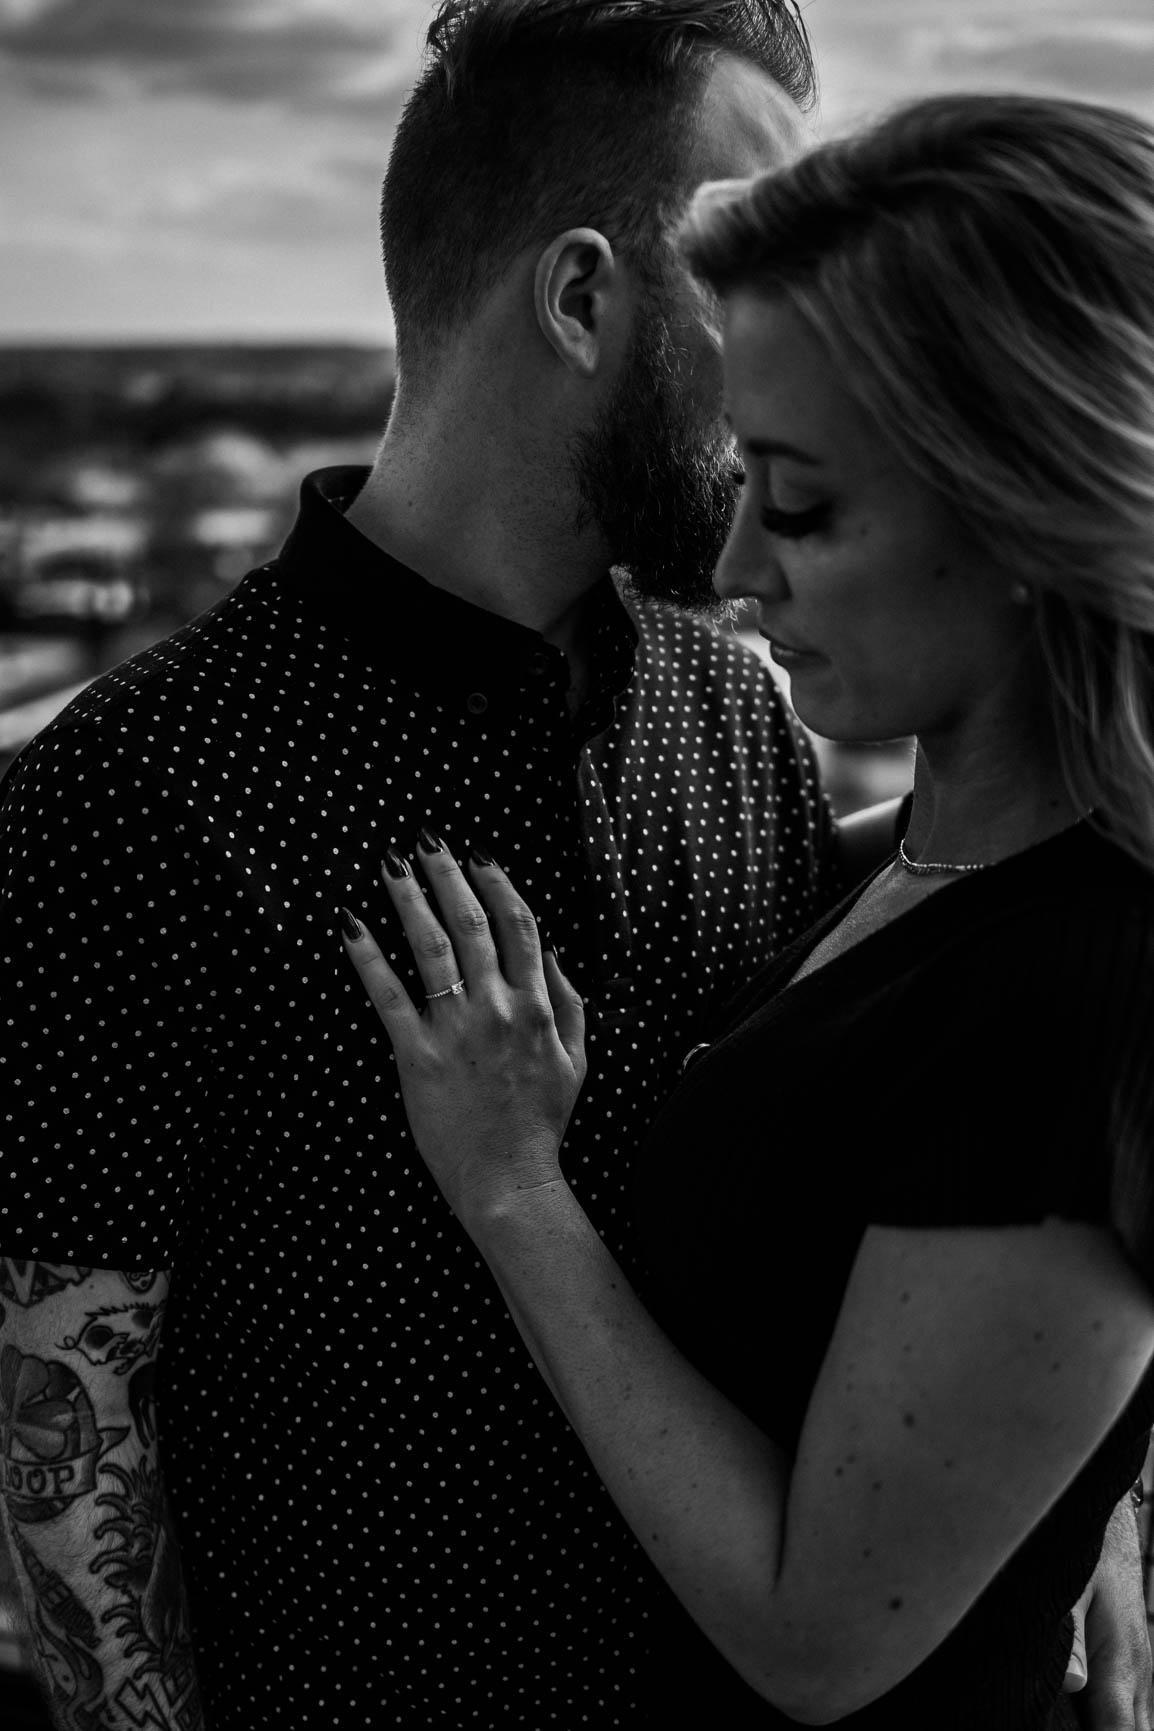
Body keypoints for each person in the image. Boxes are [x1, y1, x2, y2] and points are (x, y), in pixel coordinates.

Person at [0, 0, 1143, 1720]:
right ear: (584, 298)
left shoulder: (731, 706)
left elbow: (963, 1168)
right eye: (736, 257)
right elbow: (71, 1437)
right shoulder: (142, 791)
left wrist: (1069, 1505)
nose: (796, 320)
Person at [340, 91, 1154, 1728]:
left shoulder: (1080, 988)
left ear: (1025, 508)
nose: (727, 567)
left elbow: (815, 1639)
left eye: (794, 503)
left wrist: (512, 1186)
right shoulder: (911, 866)